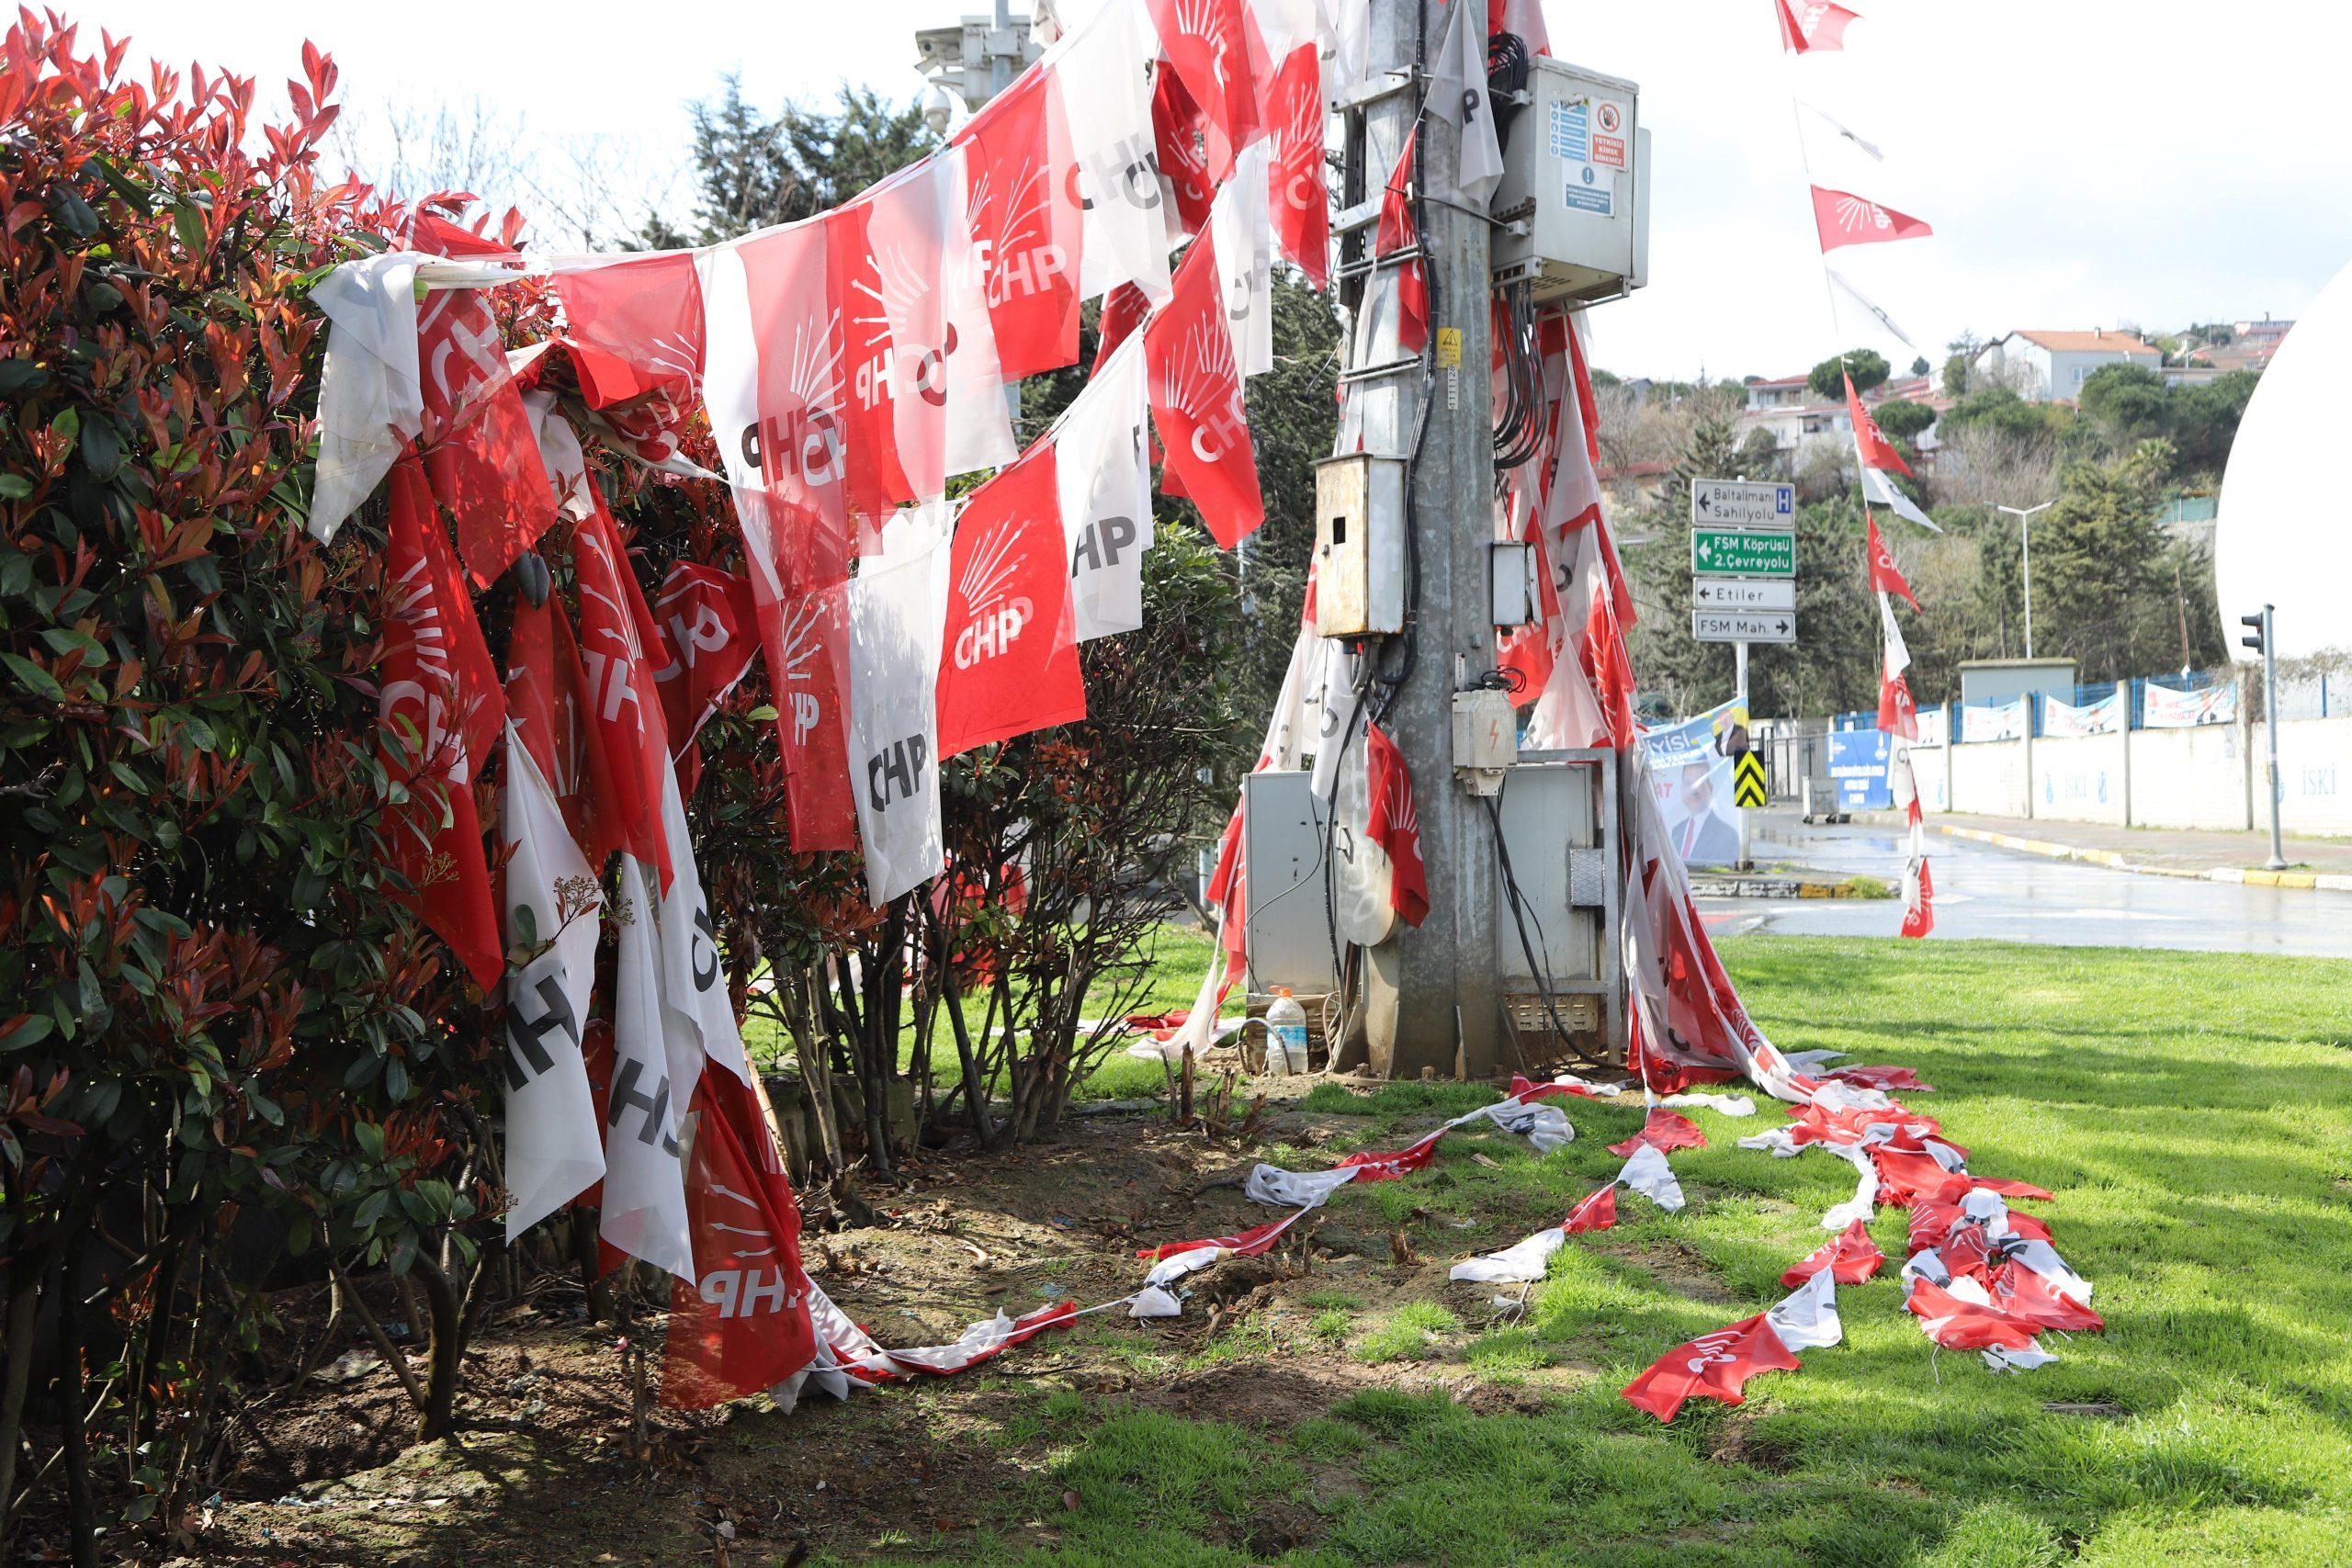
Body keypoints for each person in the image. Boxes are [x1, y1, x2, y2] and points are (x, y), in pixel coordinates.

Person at [1673, 758, 1740, 865]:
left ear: (1711, 787)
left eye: (1700, 782)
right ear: (1681, 788)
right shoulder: (1676, 832)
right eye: (1688, 783)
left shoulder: (1727, 836)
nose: (1693, 789)